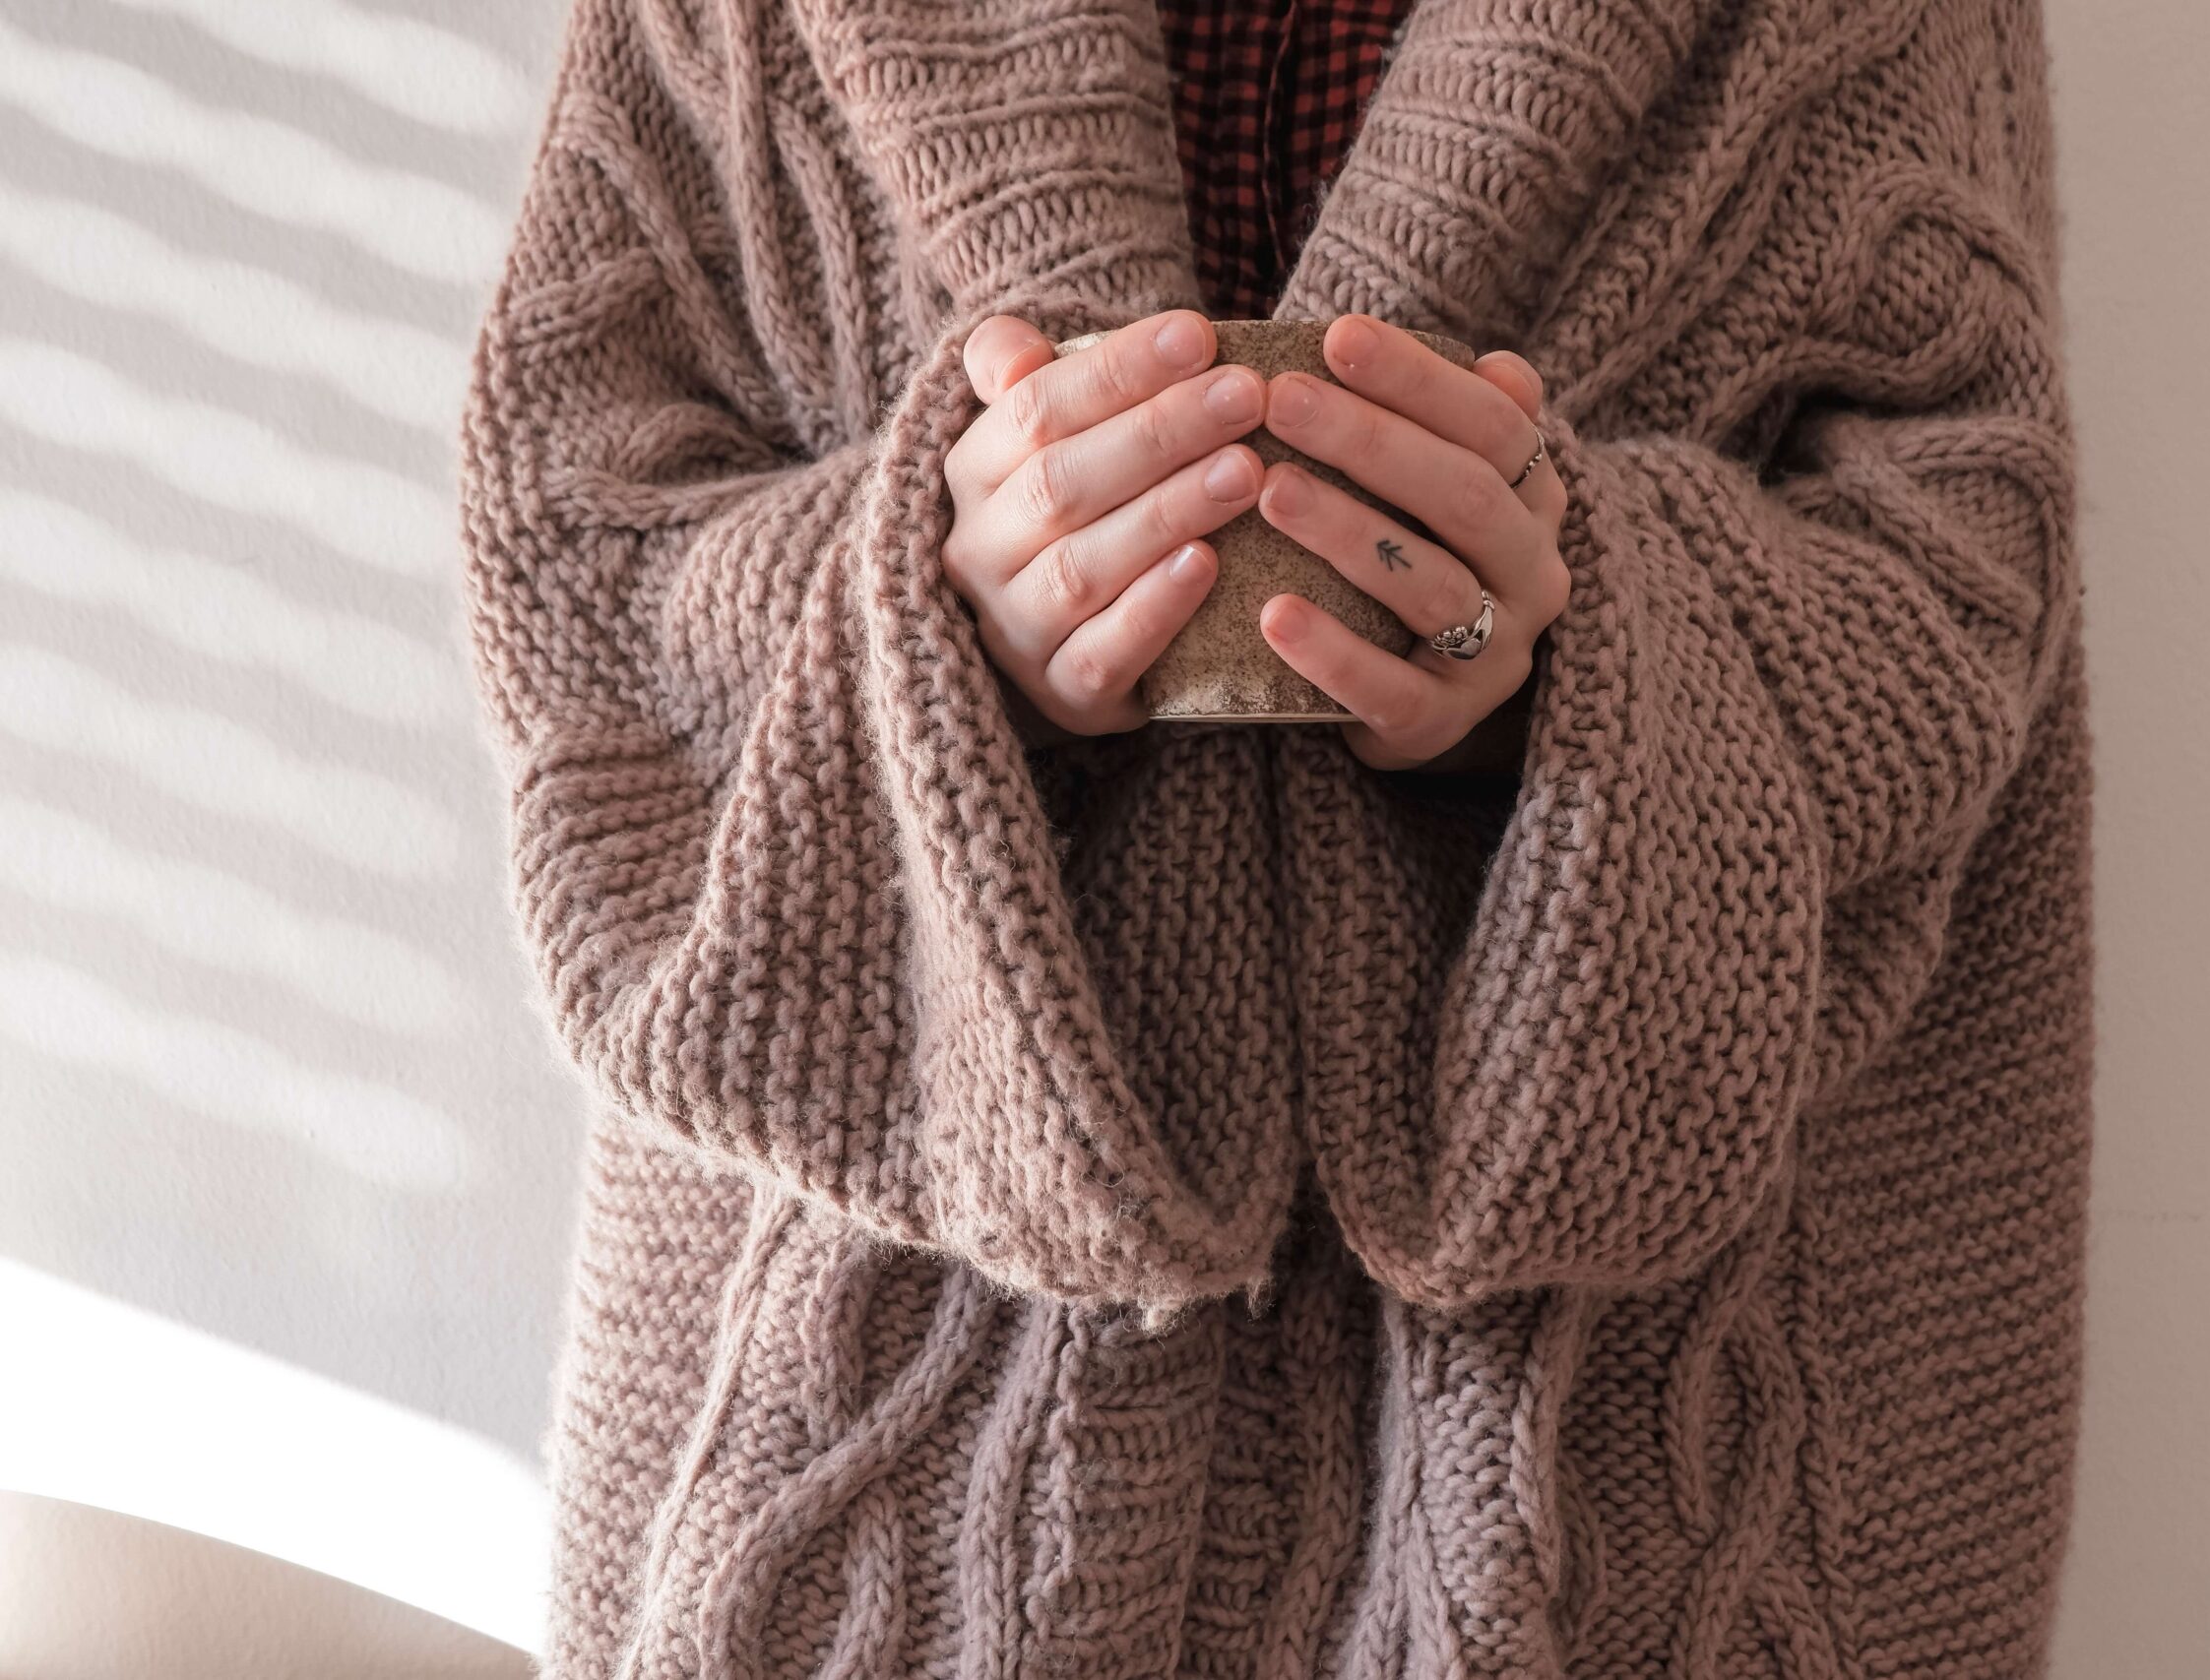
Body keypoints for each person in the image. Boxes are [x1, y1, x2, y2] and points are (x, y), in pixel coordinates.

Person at [457, 0, 2096, 1674]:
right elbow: (581, 538)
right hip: (880, 1433)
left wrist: (1572, 648)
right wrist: (951, 603)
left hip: (1633, 1463)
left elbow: (1964, 541)